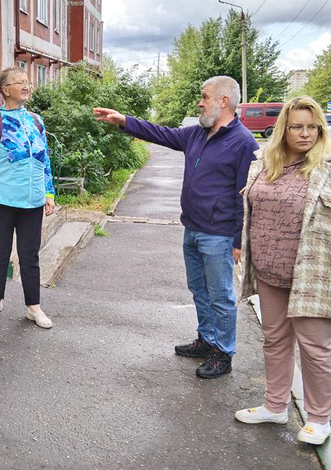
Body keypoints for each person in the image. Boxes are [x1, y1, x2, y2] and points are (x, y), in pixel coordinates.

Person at [94, 76, 259, 378]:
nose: (200, 101)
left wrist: (238, 241)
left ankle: (223, 353)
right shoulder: (197, 134)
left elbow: (244, 198)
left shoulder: (244, 143)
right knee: (199, 289)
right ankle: (207, 340)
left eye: (205, 97)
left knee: (220, 295)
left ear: (224, 101)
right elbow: (161, 133)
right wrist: (124, 121)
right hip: (192, 229)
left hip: (219, 235)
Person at [234, 96, 331, 445]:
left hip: (312, 276)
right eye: (297, 126)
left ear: (321, 129)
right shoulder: (266, 162)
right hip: (269, 272)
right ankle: (275, 405)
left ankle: (319, 419)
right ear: (284, 128)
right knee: (275, 340)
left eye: (312, 127)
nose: (305, 133)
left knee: (315, 347)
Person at [0, 67, 56, 329]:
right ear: (5, 90)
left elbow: (45, 160)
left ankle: (34, 307)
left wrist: (49, 192)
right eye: (18, 82)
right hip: (2, 201)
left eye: (26, 81)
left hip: (32, 201)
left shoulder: (36, 120)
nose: (25, 85)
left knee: (30, 255)